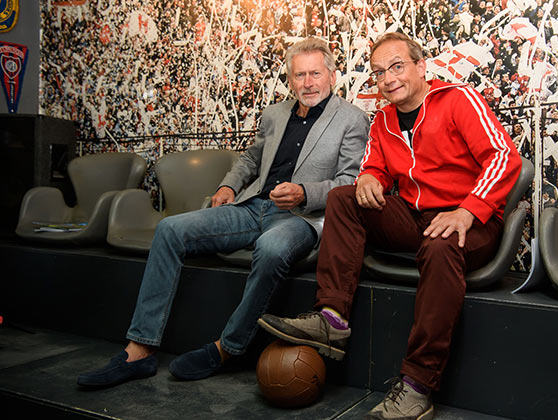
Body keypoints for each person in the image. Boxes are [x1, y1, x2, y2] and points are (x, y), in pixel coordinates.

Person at [77, 37, 370, 388]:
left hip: (303, 218)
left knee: (272, 248)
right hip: (252, 206)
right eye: (299, 75)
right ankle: (140, 349)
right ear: (290, 79)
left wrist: (304, 192)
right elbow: (249, 159)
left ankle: (229, 348)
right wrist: (228, 186)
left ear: (332, 76)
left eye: (315, 74)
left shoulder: (352, 119)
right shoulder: (275, 114)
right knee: (170, 229)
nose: (307, 83)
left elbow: (349, 182)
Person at [258, 32, 522, 420]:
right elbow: (373, 167)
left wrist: (468, 210)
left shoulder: (458, 99)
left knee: (440, 244)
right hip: (416, 216)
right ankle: (331, 318)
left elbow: (504, 157)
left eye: (397, 67)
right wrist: (367, 179)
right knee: (343, 198)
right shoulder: (382, 118)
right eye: (379, 72)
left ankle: (418, 384)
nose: (388, 79)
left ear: (420, 66)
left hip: (470, 221)